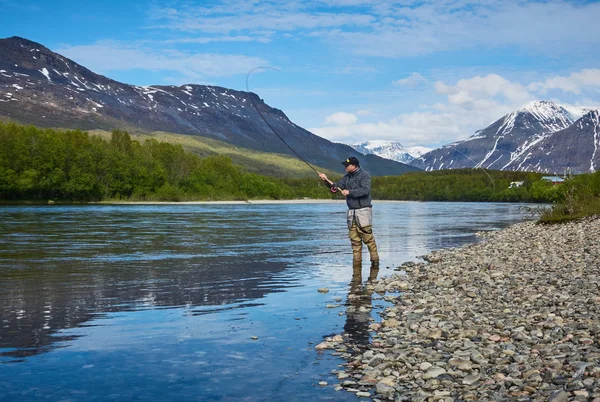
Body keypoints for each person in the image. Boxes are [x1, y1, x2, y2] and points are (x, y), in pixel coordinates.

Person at [319, 157, 379, 267]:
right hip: (352, 213)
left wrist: (349, 192)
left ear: (354, 166)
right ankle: (357, 267)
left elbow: (365, 191)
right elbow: (336, 187)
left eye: (347, 165)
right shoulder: (347, 178)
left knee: (368, 239)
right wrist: (325, 180)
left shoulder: (365, 175)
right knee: (354, 241)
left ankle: (375, 264)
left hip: (363, 211)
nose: (345, 167)